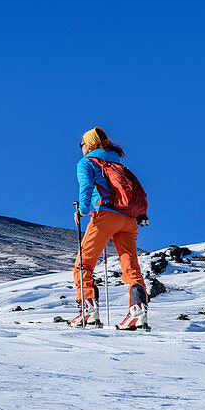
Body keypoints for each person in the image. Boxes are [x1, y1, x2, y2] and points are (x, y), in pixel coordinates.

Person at [70, 127, 149, 329]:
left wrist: (81, 210)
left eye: (82, 144)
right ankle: (138, 313)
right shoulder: (117, 164)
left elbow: (86, 187)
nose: (81, 147)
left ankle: (88, 312)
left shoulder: (87, 162)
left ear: (89, 145)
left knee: (84, 263)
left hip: (105, 215)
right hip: (129, 220)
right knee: (130, 266)